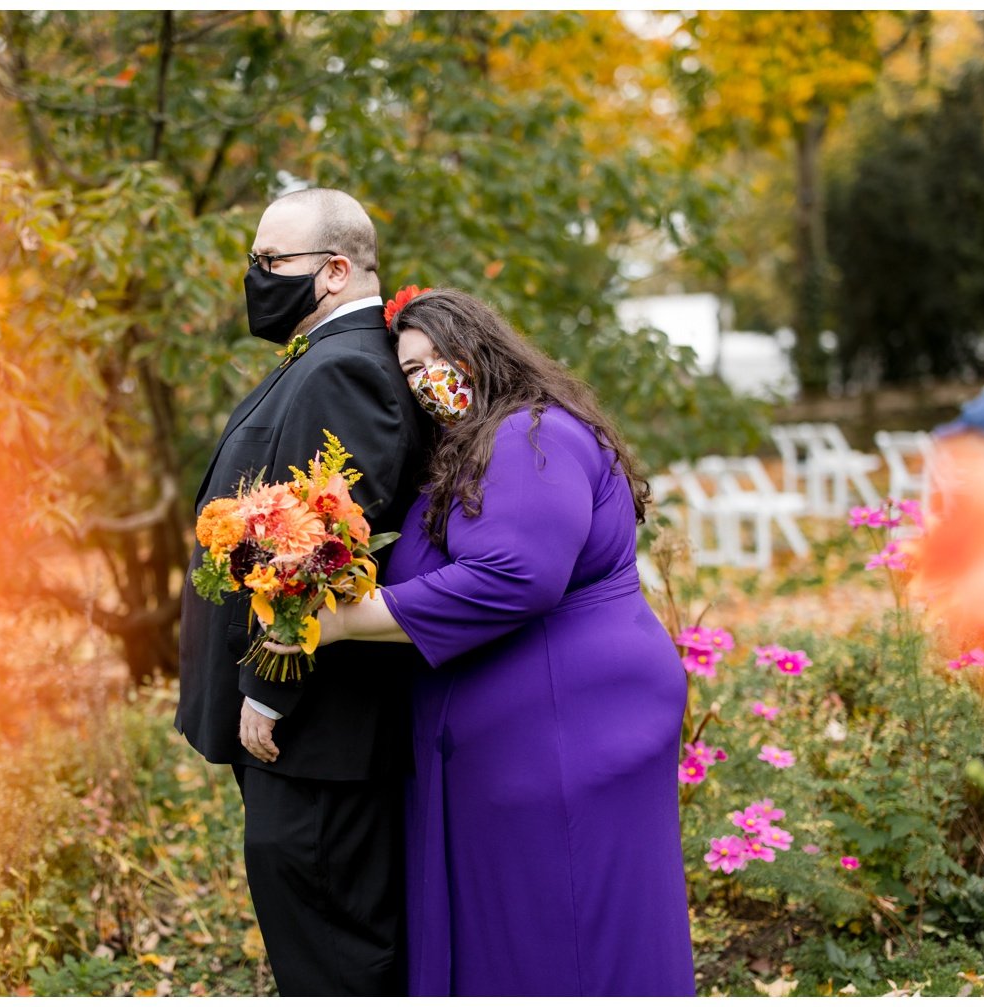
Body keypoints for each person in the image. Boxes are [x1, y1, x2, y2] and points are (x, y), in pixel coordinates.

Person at [259, 288, 696, 995]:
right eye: (408, 370)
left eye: (439, 356)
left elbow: (517, 574)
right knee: (523, 922)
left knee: (563, 922)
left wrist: (341, 620)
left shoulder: (533, 436)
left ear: (483, 348)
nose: (427, 377)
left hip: (570, 725)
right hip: (528, 731)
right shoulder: (477, 445)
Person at [175, 188, 428, 995]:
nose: (255, 277)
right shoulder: (323, 358)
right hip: (310, 741)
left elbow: (323, 543)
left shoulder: (349, 367)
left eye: (269, 262)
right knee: (311, 935)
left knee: (333, 949)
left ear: (335, 271)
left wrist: (269, 687)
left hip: (318, 734)